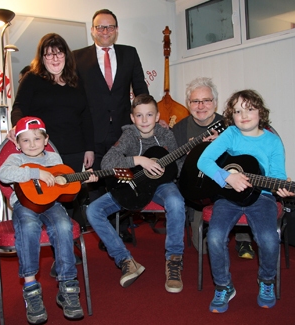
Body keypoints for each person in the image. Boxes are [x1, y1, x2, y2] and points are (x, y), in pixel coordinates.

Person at [197, 89, 294, 313]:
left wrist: (282, 187)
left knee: (269, 238)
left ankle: (266, 281)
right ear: (232, 116)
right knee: (214, 237)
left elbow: (278, 175)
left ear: (261, 112)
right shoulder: (230, 134)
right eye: (238, 111)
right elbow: (204, 161)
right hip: (228, 197)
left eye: (249, 109)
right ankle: (223, 286)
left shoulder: (273, 142)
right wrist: (227, 176)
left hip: (262, 197)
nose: (244, 115)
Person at [9, 33, 95, 276]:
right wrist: (19, 129)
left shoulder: (76, 80)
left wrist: (89, 147)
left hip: (76, 147)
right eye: (49, 53)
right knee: (48, 199)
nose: (54, 58)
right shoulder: (32, 79)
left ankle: (63, 252)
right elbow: (19, 108)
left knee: (71, 198)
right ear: (42, 57)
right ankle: (59, 254)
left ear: (66, 56)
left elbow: (86, 115)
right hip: (45, 151)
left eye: (59, 53)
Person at [0, 116, 98, 323]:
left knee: (63, 225)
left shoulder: (53, 159)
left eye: (37, 139)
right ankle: (31, 288)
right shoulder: (16, 159)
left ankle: (67, 286)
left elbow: (65, 184)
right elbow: (4, 174)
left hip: (52, 205)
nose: (32, 144)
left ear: (46, 140)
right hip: (25, 205)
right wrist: (35, 173)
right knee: (28, 227)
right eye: (25, 140)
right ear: (17, 143)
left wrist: (83, 179)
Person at [86, 94, 186, 293]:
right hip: (133, 185)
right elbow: (107, 162)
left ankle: (174, 259)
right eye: (139, 116)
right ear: (132, 118)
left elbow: (179, 163)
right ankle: (125, 260)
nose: (145, 120)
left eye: (149, 115)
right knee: (93, 210)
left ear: (158, 117)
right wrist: (138, 160)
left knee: (176, 201)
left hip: (162, 185)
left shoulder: (166, 134)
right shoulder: (129, 135)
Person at [72, 9, 150, 243]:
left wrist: (150, 116)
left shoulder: (130, 53)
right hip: (91, 132)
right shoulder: (77, 57)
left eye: (110, 27)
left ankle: (122, 226)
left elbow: (140, 90)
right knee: (95, 182)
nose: (105, 31)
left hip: (123, 132)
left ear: (116, 30)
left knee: (123, 179)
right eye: (100, 27)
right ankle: (103, 231)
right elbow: (73, 97)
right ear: (92, 30)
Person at [173, 77, 255, 259]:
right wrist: (190, 159)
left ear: (215, 103)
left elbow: (246, 160)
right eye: (195, 101)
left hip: (226, 185)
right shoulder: (179, 129)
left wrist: (223, 147)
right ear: (188, 104)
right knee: (203, 249)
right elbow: (175, 167)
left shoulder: (230, 126)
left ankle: (243, 237)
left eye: (206, 100)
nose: (201, 106)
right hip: (198, 191)